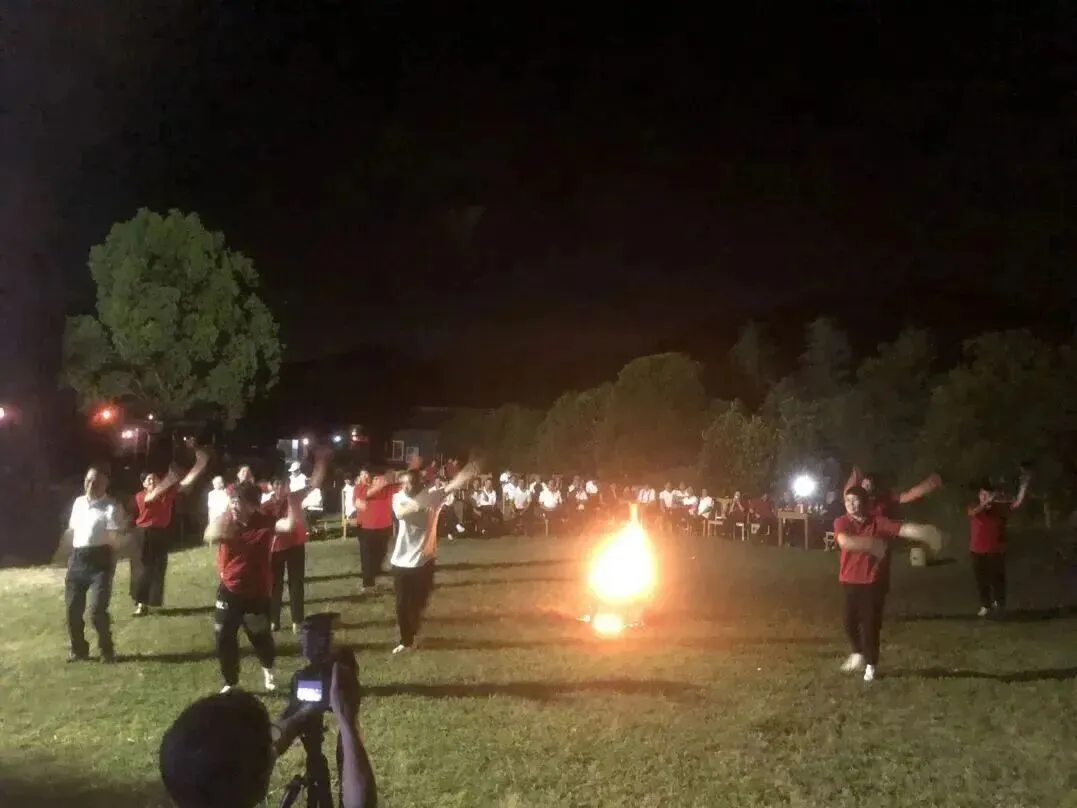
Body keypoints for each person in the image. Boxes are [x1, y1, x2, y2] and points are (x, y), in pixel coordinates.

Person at [159, 648, 377, 808]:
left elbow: (258, 755)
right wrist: (347, 723)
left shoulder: (186, 776)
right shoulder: (246, 776)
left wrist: (301, 713)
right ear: (256, 783)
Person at [204, 478, 306, 693]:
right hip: (229, 588)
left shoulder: (264, 522)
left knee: (259, 636)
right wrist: (219, 529)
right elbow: (208, 534)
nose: (234, 505)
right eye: (232, 500)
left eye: (238, 501)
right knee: (223, 636)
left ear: (252, 505)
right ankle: (231, 683)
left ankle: (268, 669)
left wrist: (294, 502)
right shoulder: (226, 519)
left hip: (256, 592)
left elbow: (289, 525)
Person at [833, 485, 943, 682]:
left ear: (864, 502)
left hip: (872, 582)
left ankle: (871, 664)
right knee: (849, 622)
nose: (850, 504)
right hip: (849, 580)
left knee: (870, 625)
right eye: (847, 500)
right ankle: (858, 653)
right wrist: (872, 544)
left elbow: (902, 529)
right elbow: (845, 542)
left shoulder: (877, 522)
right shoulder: (842, 521)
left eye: (855, 500)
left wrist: (925, 533)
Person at [389, 462, 478, 654]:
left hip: (424, 561)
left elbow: (452, 486)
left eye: (409, 483)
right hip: (401, 562)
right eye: (403, 483)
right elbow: (401, 513)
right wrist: (425, 498)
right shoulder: (398, 498)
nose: (405, 487)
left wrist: (468, 472)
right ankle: (406, 641)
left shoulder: (432, 496)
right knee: (402, 604)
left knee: (418, 603)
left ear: (418, 484)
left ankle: (413, 632)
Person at [130, 448, 209, 617]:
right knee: (142, 568)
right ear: (144, 485)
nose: (153, 481)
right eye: (149, 480)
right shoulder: (141, 496)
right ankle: (140, 603)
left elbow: (186, 482)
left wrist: (200, 464)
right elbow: (151, 497)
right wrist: (171, 477)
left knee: (158, 568)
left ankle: (148, 601)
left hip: (161, 533)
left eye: (155, 478)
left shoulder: (167, 494)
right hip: (143, 534)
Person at [63, 464, 129, 663]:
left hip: (100, 562)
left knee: (97, 611)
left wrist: (112, 560)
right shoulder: (78, 503)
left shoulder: (111, 507)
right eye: (88, 480)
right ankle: (79, 650)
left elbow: (116, 540)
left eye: (96, 481)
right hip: (77, 559)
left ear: (106, 483)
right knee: (72, 610)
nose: (91, 485)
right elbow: (73, 530)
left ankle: (107, 650)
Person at [267, 449, 330, 633]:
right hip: (276, 549)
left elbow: (314, 484)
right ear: (272, 486)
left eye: (284, 484)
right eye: (277, 484)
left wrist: (321, 462)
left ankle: (297, 620)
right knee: (275, 585)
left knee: (296, 583)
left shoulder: (294, 497)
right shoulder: (266, 505)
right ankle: (273, 619)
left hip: (295, 544)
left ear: (288, 485)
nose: (280, 488)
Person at [968, 473, 1030, 618]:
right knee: (982, 580)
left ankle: (999, 605)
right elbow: (973, 512)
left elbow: (1016, 503)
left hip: (996, 549)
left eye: (987, 494)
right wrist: (985, 502)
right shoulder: (975, 506)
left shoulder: (999, 508)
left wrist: (1024, 486)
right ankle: (985, 605)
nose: (984, 497)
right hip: (977, 549)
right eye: (982, 494)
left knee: (997, 579)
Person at [354, 469, 397, 592]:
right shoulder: (360, 488)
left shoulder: (388, 488)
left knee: (381, 553)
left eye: (380, 478)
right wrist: (380, 485)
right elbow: (363, 497)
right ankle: (368, 583)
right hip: (366, 528)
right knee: (367, 555)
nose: (379, 480)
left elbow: (404, 485)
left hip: (385, 527)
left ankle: (375, 571)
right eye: (376, 479)